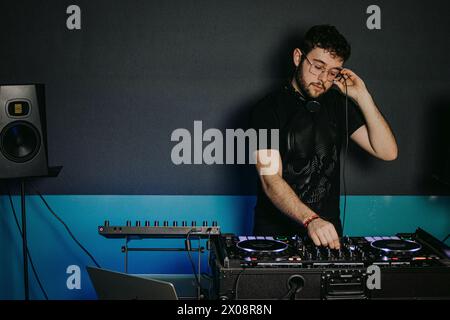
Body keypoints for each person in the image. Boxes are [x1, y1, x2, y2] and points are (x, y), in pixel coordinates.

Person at [250, 25, 398, 249]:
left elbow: (387, 152)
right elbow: (270, 180)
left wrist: (362, 96)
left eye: (333, 72)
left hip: (328, 236)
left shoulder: (338, 104)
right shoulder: (266, 109)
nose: (323, 78)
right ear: (298, 57)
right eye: (318, 67)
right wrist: (311, 220)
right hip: (275, 239)